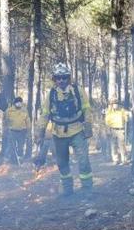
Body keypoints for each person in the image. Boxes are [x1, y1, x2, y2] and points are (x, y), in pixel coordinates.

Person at [35, 63, 94, 197]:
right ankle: (68, 190)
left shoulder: (78, 91)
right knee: (62, 163)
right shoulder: (51, 94)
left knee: (83, 161)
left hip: (77, 131)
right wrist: (40, 132)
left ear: (68, 78)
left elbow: (86, 109)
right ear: (54, 79)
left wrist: (88, 126)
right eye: (58, 78)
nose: (61, 80)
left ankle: (87, 189)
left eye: (64, 77)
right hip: (58, 133)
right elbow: (45, 114)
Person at [4, 97, 30, 164]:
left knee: (20, 147)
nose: (19, 104)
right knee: (11, 146)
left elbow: (28, 121)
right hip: (12, 131)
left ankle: (20, 160)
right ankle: (12, 160)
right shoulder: (9, 111)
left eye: (20, 102)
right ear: (15, 103)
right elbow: (5, 121)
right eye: (18, 102)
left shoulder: (24, 111)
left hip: (22, 132)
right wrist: (6, 129)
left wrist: (28, 130)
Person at [105, 100, 130, 165]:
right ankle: (115, 159)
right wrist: (108, 129)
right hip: (112, 129)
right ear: (112, 105)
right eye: (114, 104)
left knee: (122, 145)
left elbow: (126, 119)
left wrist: (127, 116)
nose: (115, 105)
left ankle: (124, 159)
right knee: (113, 145)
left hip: (120, 129)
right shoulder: (109, 111)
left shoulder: (122, 110)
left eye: (116, 103)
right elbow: (107, 121)